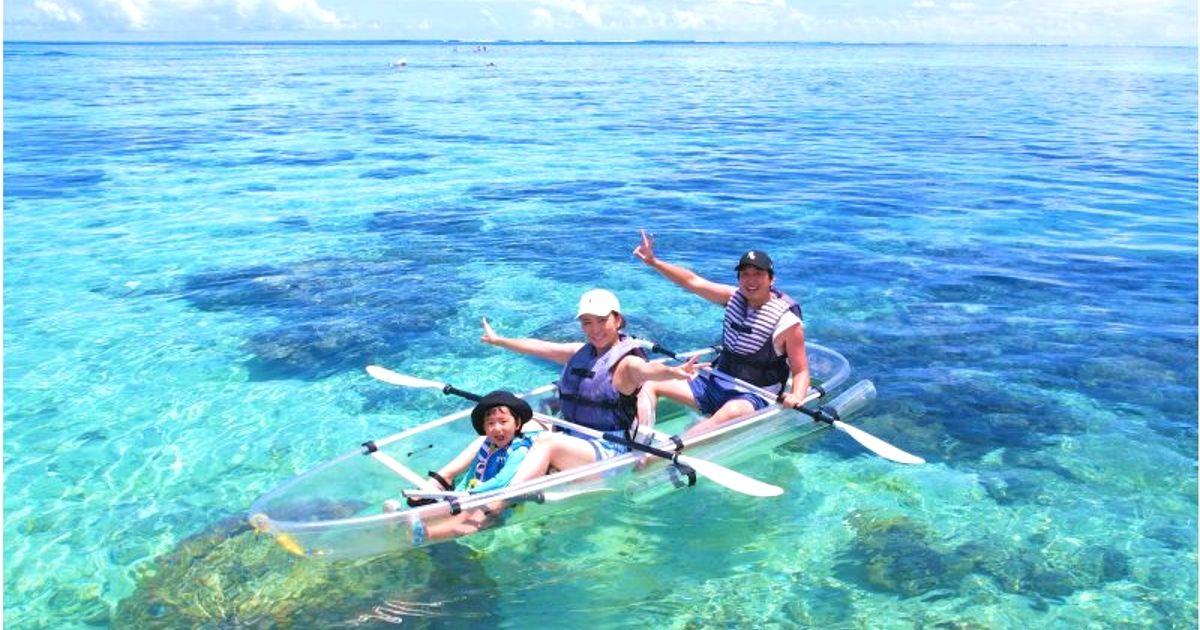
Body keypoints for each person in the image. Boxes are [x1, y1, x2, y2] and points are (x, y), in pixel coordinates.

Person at [481, 289, 700, 483]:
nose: (595, 329)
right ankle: (449, 478)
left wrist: (674, 372)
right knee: (513, 426)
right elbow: (539, 346)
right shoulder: (579, 352)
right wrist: (500, 341)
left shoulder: (626, 364)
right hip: (572, 432)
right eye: (587, 322)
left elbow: (647, 370)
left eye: (601, 320)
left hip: (609, 450)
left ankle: (500, 501)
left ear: (618, 320)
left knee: (547, 442)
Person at [632, 230, 810, 436]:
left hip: (754, 395)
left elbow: (801, 370)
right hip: (716, 381)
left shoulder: (788, 323)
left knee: (730, 412)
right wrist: (654, 262)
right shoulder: (732, 297)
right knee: (649, 381)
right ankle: (640, 440)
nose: (751, 281)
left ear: (771, 279)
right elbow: (692, 281)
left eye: (758, 274)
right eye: (745, 275)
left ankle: (667, 454)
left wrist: (796, 396)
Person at [394, 390, 537, 542]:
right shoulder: (488, 444)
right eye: (490, 423)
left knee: (463, 523)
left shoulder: (519, 450)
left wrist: (472, 493)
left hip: (499, 503)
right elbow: (472, 473)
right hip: (474, 494)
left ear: (518, 424)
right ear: (484, 427)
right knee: (449, 508)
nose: (496, 428)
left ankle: (426, 534)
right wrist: (460, 492)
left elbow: (502, 480)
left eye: (503, 422)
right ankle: (402, 521)